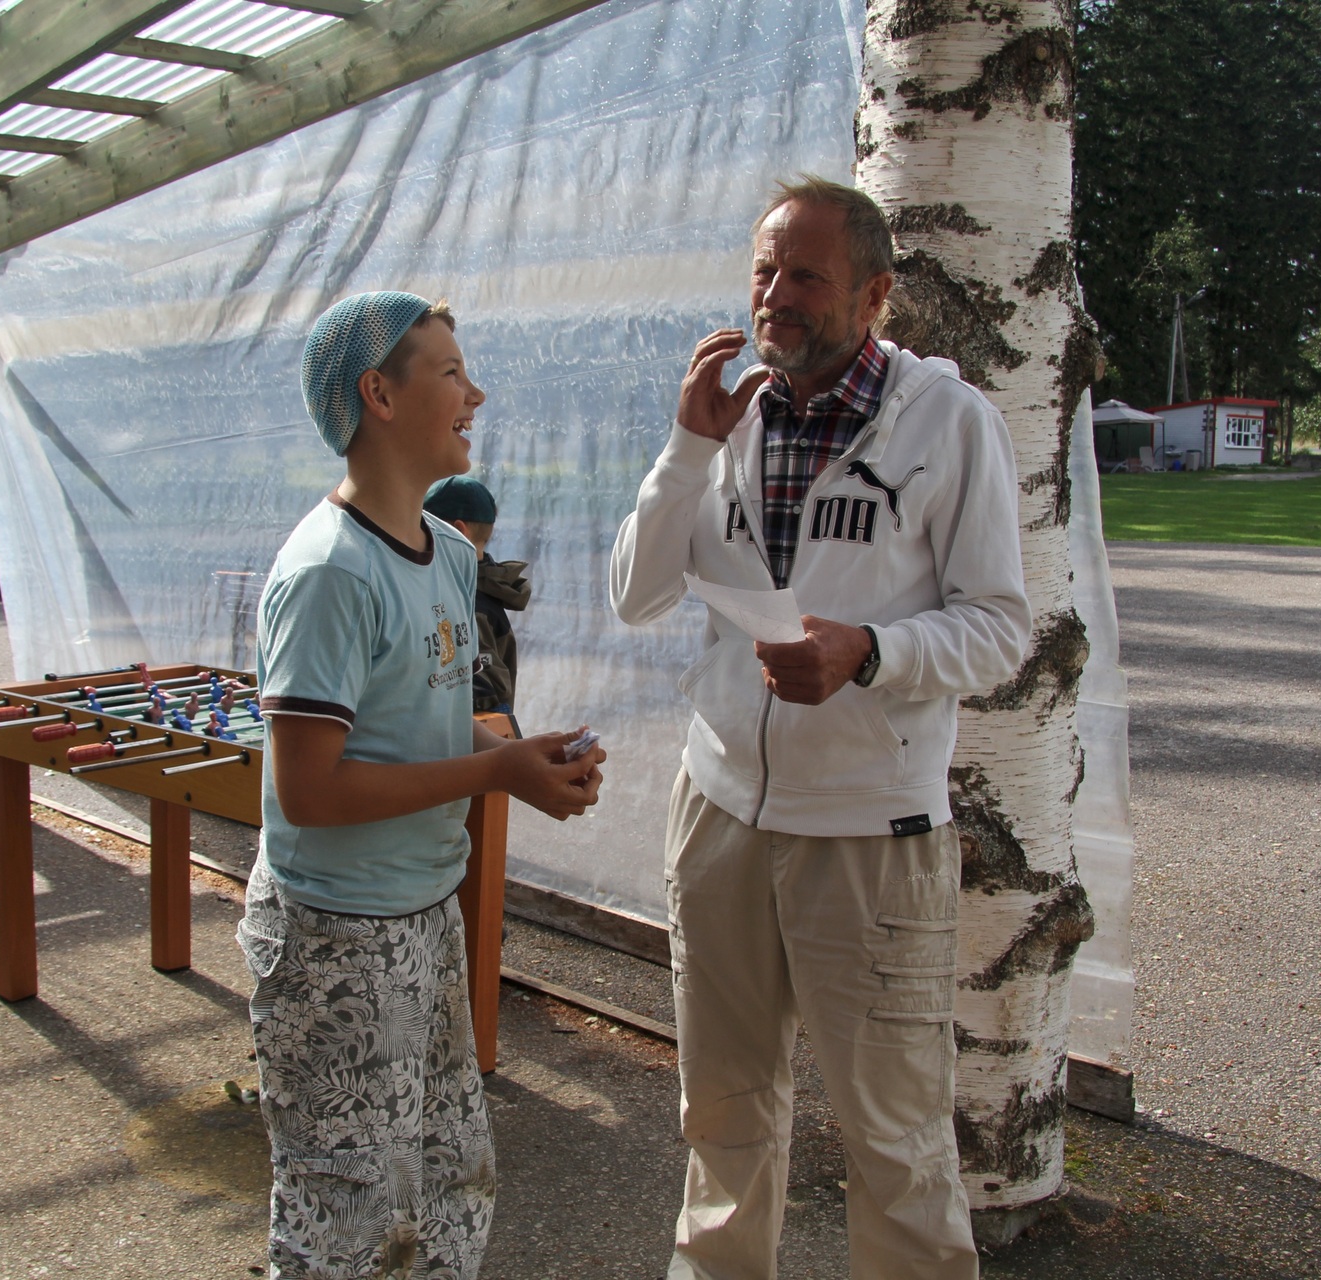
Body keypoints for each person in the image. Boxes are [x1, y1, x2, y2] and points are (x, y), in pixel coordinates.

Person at [610, 177, 1030, 1279]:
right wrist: (686, 448)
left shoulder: (950, 423)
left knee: (895, 1140)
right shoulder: (728, 415)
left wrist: (871, 652)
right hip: (720, 815)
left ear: (875, 294)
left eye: (806, 275)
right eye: (764, 269)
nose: (775, 295)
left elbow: (1000, 630)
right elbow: (635, 596)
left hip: (868, 834)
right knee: (722, 1113)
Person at [243, 290, 607, 1280]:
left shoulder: (448, 553)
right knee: (346, 1214)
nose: (474, 394)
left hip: (425, 913)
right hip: (334, 936)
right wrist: (495, 770)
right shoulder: (328, 573)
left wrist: (520, 752)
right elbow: (311, 792)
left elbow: (425, 715)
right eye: (451, 372)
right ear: (380, 395)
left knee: (450, 1179)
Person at [422, 475, 532, 721]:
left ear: (457, 531)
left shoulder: (470, 605)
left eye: (423, 528)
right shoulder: (480, 585)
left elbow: (486, 699)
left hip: (469, 735)